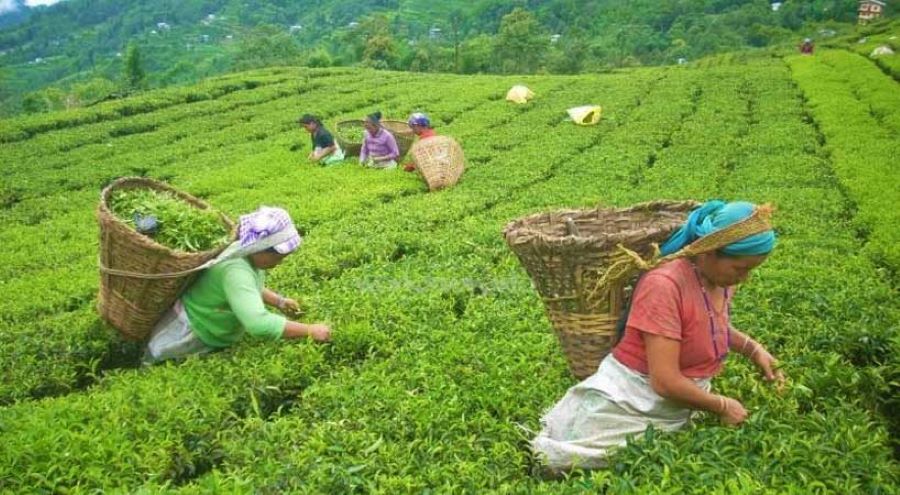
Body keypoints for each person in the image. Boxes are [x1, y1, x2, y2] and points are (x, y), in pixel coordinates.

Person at [531, 201, 785, 472]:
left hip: (681, 399)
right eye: (740, 269)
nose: (744, 278)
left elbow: (704, 324)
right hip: (635, 398)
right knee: (568, 460)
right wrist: (723, 405)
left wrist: (753, 349)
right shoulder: (663, 285)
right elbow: (664, 382)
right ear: (709, 252)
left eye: (750, 270)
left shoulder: (718, 279)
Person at [144, 206, 332, 363]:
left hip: (209, 329)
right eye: (279, 257)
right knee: (159, 366)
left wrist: (279, 301)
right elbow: (259, 324)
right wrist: (310, 330)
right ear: (260, 249)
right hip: (190, 334)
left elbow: (246, 289)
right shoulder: (235, 271)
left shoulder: (242, 252)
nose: (280, 262)